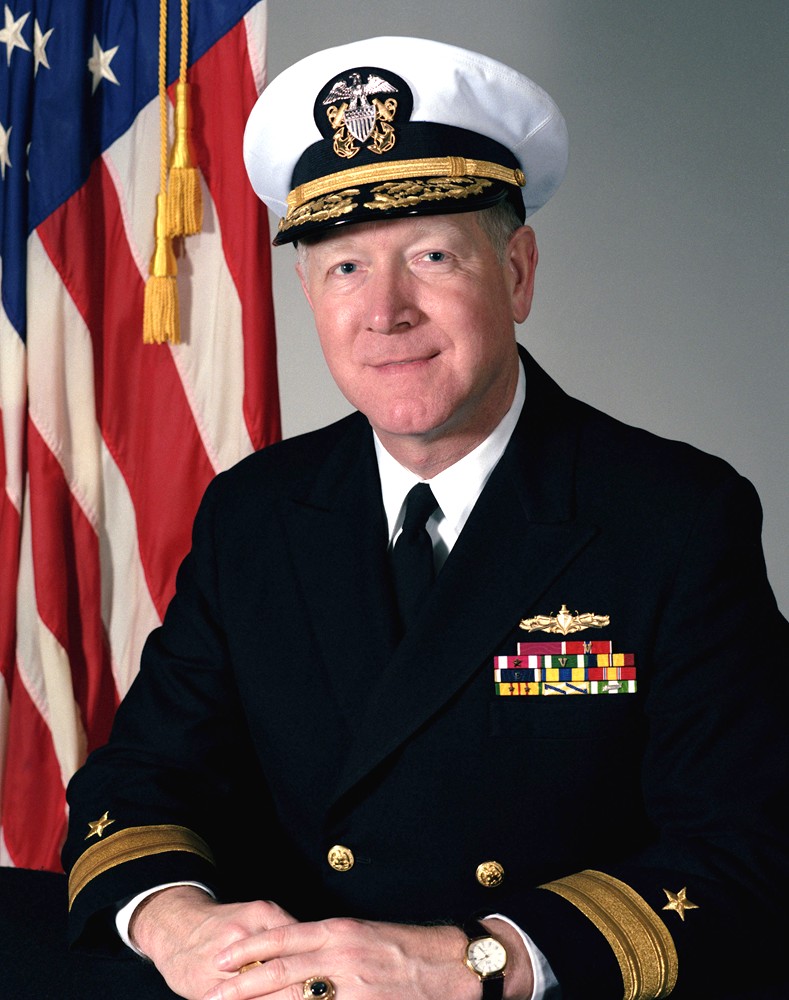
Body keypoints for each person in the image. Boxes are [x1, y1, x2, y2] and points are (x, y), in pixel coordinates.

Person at [62, 35, 789, 1000]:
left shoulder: (672, 518)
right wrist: (176, 921)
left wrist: (478, 960)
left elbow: (747, 844)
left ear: (517, 272)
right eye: (344, 268)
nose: (385, 311)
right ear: (308, 294)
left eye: (432, 256)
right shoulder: (257, 513)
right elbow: (141, 777)